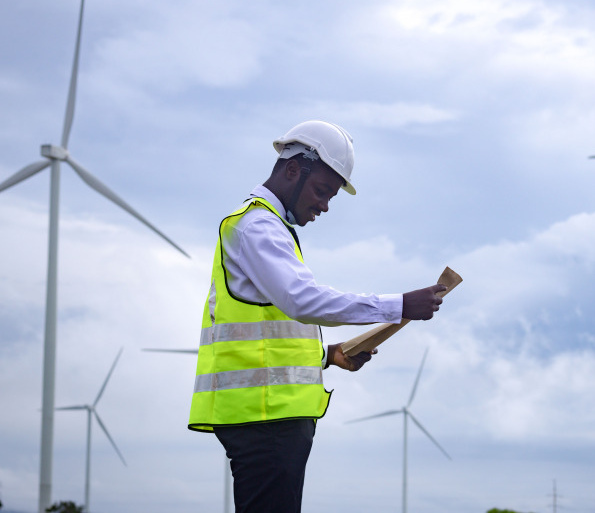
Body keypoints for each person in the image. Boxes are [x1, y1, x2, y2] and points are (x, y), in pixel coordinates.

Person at [188, 120, 445, 513]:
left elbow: (264, 337)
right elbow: (302, 301)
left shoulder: (263, 228)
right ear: (294, 169)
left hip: (266, 416)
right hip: (267, 419)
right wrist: (399, 305)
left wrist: (328, 355)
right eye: (322, 191)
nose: (324, 205)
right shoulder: (259, 227)